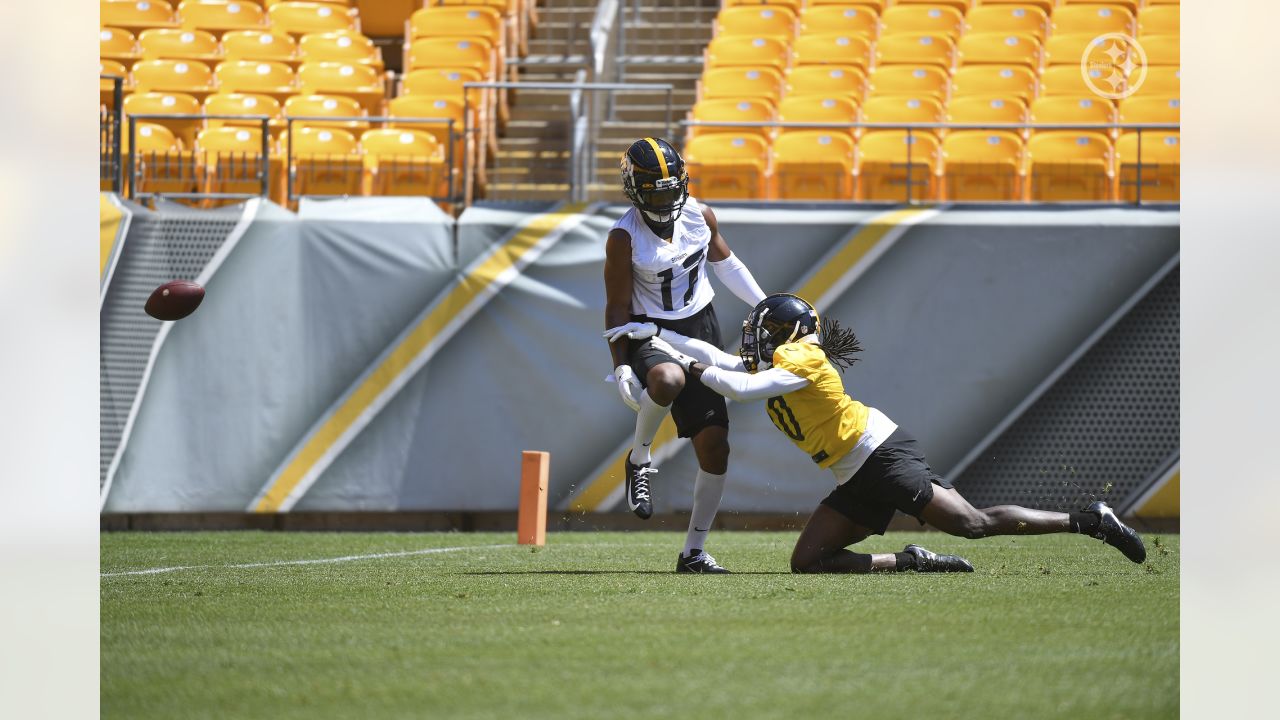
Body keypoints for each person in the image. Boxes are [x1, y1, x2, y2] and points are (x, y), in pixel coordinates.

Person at [610, 293, 1147, 574]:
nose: (755, 338)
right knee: (809, 563)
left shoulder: (802, 356)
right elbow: (722, 359)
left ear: (787, 334)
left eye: (764, 331)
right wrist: (659, 337)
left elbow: (735, 386)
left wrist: (684, 362)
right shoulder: (785, 354)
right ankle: (911, 561)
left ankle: (1088, 521)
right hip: (854, 470)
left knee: (970, 524)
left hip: (879, 455)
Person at [601, 137, 768, 574]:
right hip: (646, 330)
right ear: (635, 190)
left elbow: (726, 263)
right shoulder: (624, 236)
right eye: (654, 191)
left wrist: (764, 305)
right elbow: (617, 306)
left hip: (699, 325)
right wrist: (619, 362)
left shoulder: (699, 214)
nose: (666, 199)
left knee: (715, 447)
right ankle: (639, 458)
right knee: (668, 381)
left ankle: (693, 552)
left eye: (671, 188)